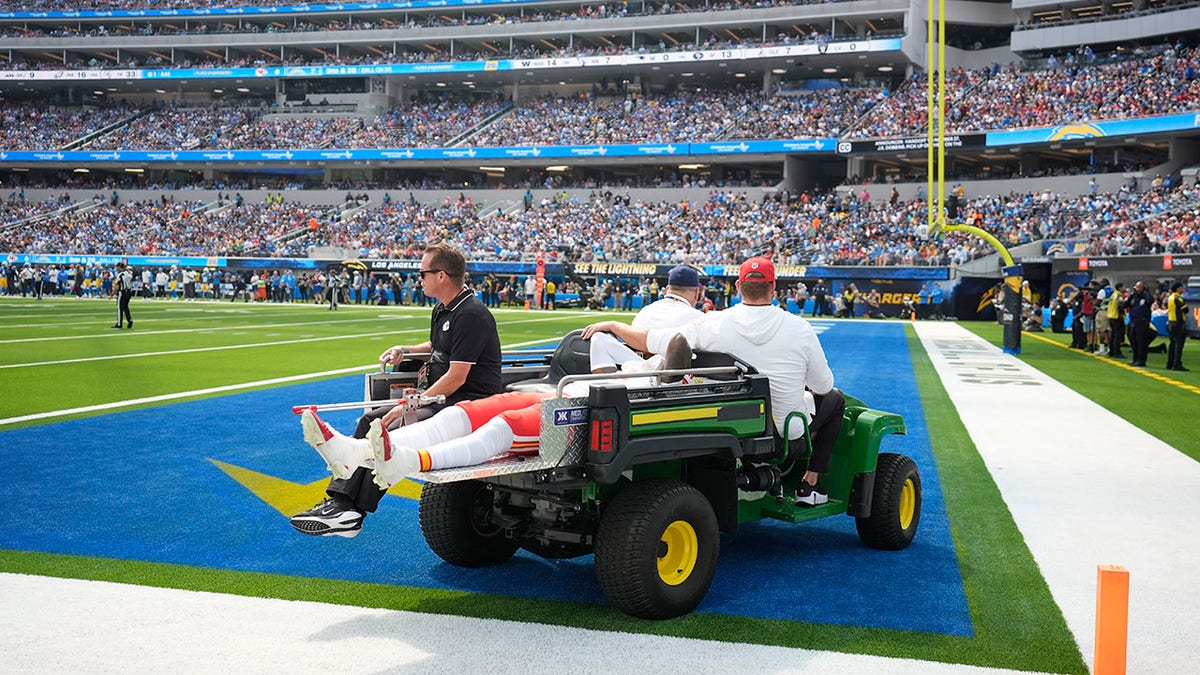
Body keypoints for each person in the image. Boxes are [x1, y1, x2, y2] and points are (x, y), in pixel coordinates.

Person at [582, 257, 845, 507]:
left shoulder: (712, 322)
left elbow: (651, 341)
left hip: (734, 422)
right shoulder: (799, 328)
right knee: (835, 399)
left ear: (739, 286)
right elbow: (823, 386)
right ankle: (809, 485)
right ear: (773, 288)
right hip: (781, 433)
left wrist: (615, 326)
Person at [290, 244, 503, 538]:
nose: (419, 278)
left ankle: (349, 510)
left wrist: (406, 406)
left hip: (467, 402)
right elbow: (438, 347)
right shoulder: (444, 308)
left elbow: (456, 376)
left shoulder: (471, 314)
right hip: (442, 398)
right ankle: (342, 504)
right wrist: (406, 349)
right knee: (370, 421)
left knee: (386, 426)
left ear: (441, 275)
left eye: (422, 272)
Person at [1123, 281, 1153, 368]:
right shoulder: (1133, 297)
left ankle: (1141, 360)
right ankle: (1135, 359)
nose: (1137, 289)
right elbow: (1124, 305)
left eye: (1139, 287)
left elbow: (1150, 300)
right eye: (1136, 287)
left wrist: (1146, 292)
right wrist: (1131, 295)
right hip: (1133, 321)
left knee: (1141, 341)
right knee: (1133, 341)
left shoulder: (1146, 297)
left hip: (1142, 322)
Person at [1165, 282, 1189, 371]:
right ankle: (1177, 364)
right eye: (1181, 288)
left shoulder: (1170, 297)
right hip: (1177, 324)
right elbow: (1185, 309)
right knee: (1179, 345)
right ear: (1178, 288)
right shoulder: (1178, 298)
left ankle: (1170, 363)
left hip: (1171, 322)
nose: (1183, 289)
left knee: (1172, 344)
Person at [111, 262, 134, 329]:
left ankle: (119, 323)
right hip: (129, 291)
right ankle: (129, 319)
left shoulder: (120, 275)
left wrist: (112, 294)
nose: (116, 268)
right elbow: (131, 276)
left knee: (120, 308)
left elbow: (117, 286)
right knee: (126, 307)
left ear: (119, 267)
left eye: (117, 267)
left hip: (123, 292)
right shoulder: (128, 274)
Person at [1107, 282, 1127, 358]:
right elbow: (1120, 306)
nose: (1124, 288)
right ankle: (1117, 352)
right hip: (1117, 317)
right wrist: (1121, 315)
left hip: (1111, 316)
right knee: (1117, 336)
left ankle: (1111, 351)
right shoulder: (1119, 295)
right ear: (1120, 288)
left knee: (1113, 335)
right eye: (1123, 287)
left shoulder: (1113, 295)